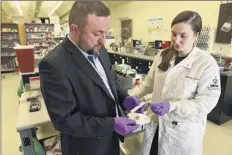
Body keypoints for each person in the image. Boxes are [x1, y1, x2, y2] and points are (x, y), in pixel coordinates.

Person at [39, 2, 143, 155]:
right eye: (97, 33)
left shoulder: (100, 50)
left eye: (105, 32)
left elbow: (110, 80)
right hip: (86, 148)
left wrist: (124, 98)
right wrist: (111, 124)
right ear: (75, 29)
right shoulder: (53, 65)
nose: (104, 40)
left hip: (111, 141)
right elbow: (65, 120)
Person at [129, 11, 221, 155]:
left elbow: (205, 103)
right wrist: (134, 96)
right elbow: (148, 84)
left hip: (181, 132)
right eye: (173, 34)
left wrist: (173, 106)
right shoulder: (162, 55)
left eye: (183, 36)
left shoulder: (206, 63)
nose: (176, 40)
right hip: (155, 124)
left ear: (196, 36)